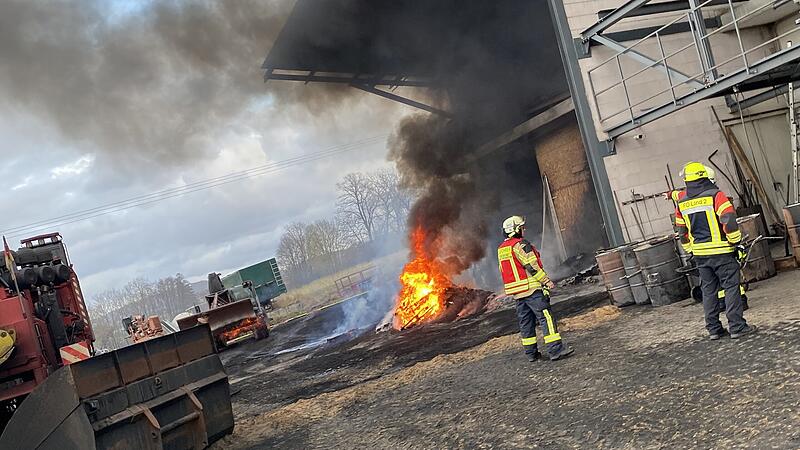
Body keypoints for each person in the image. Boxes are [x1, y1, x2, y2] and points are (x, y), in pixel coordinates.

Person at [674, 162, 756, 340]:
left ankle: (714, 330)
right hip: (722, 252)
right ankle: (737, 326)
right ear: (704, 176)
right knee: (731, 287)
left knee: (709, 290)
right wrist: (735, 242)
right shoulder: (716, 195)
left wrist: (690, 249)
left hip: (700, 255)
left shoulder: (681, 201)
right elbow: (729, 221)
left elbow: (681, 232)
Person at [497, 216, 574, 361]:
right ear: (515, 230)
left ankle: (531, 353)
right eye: (521, 227)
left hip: (518, 294)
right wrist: (546, 281)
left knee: (526, 323)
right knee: (546, 318)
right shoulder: (521, 245)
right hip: (532, 290)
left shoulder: (501, 249)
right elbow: (532, 266)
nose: (523, 230)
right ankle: (556, 350)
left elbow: (504, 269)